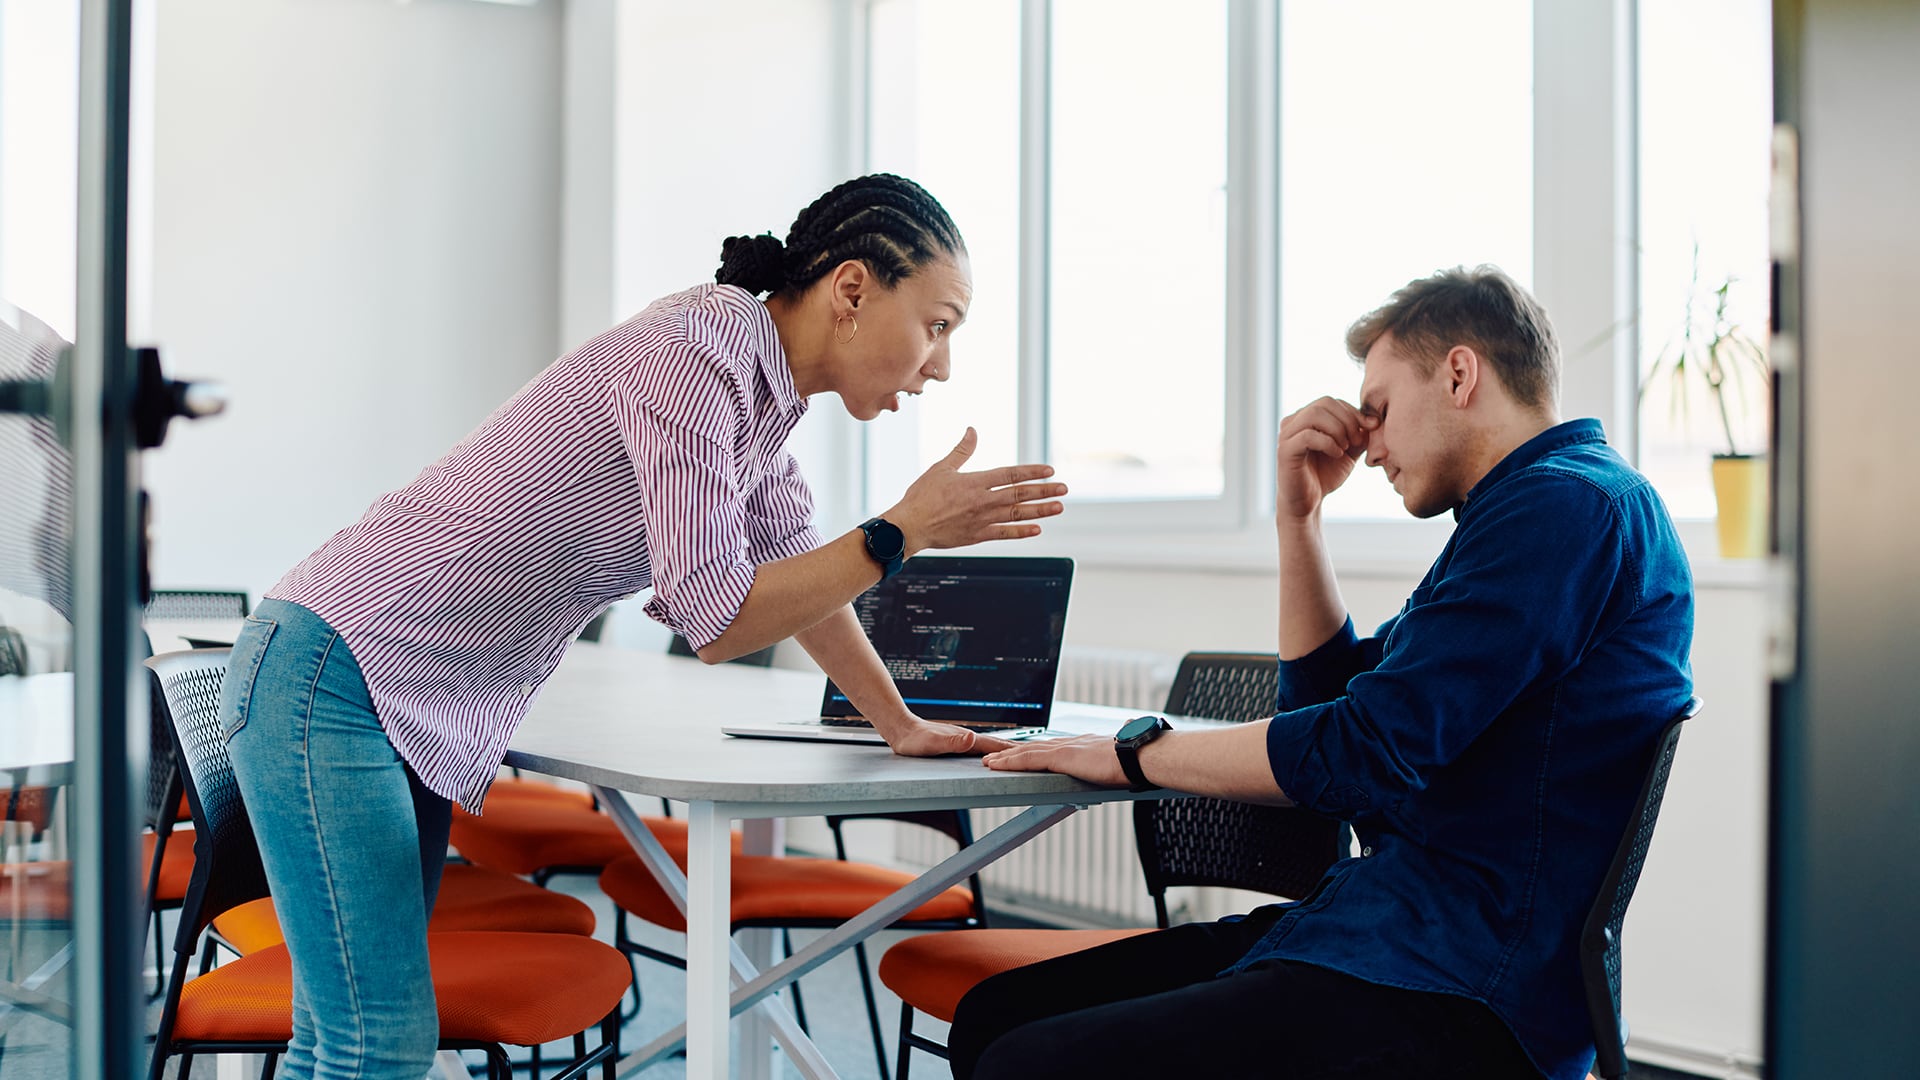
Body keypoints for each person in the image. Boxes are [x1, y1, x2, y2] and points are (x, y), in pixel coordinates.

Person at [218, 174, 1067, 1077]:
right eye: (938, 326)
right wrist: (903, 532)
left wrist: (899, 723)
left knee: (345, 1033)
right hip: (335, 674)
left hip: (390, 690)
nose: (940, 365)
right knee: (376, 1041)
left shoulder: (758, 403)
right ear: (852, 291)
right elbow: (718, 614)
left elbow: (801, 578)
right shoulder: (694, 352)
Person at [960, 265, 1694, 1080]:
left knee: (1029, 1064)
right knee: (992, 1018)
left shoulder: (1568, 510)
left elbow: (1356, 750)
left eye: (1378, 409)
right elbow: (1336, 707)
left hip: (1464, 991)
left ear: (1459, 373)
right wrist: (1298, 516)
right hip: (1380, 935)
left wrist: (1136, 752)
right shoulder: (1520, 514)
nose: (1370, 443)